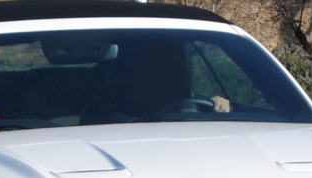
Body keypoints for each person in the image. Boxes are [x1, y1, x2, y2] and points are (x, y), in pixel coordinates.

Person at [81, 42, 229, 124]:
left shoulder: (184, 99)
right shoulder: (106, 109)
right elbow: (121, 125)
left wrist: (220, 106)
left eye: (169, 68)